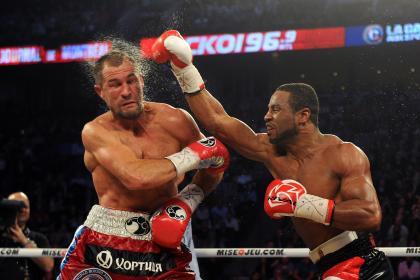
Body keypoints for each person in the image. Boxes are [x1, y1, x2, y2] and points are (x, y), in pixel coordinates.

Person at [151, 30, 395, 279]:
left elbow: (370, 216)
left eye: (276, 109)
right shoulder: (271, 151)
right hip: (329, 268)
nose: (267, 116)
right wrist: (184, 69)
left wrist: (305, 205)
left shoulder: (344, 154)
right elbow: (218, 121)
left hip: (361, 264)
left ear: (303, 116)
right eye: (268, 109)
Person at [57, 49, 229, 279]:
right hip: (106, 240)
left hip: (165, 238)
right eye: (115, 84)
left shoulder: (175, 120)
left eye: (131, 80)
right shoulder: (95, 131)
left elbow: (216, 162)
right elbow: (136, 177)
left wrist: (186, 202)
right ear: (101, 92)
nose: (126, 91)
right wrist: (193, 155)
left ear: (142, 80)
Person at [0, 192, 54, 280]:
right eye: (18, 206)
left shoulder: (39, 238)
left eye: (26, 206)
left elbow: (48, 266)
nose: (22, 210)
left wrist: (24, 241)